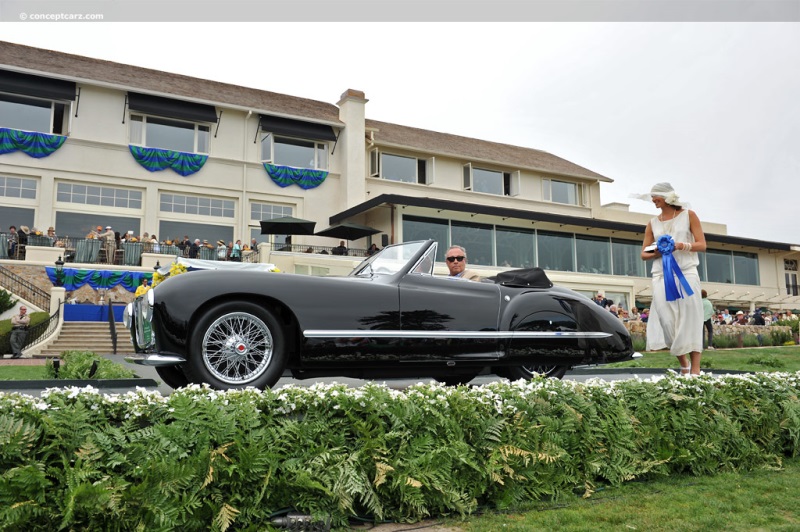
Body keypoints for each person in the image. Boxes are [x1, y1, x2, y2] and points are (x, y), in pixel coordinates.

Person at [640, 182, 706, 376]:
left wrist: (681, 245)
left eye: (655, 197)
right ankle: (682, 362)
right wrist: (657, 251)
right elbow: (644, 253)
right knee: (666, 319)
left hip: (686, 271)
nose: (652, 200)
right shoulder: (653, 223)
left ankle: (694, 368)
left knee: (690, 317)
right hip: (661, 274)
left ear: (667, 197)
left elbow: (702, 244)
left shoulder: (689, 215)